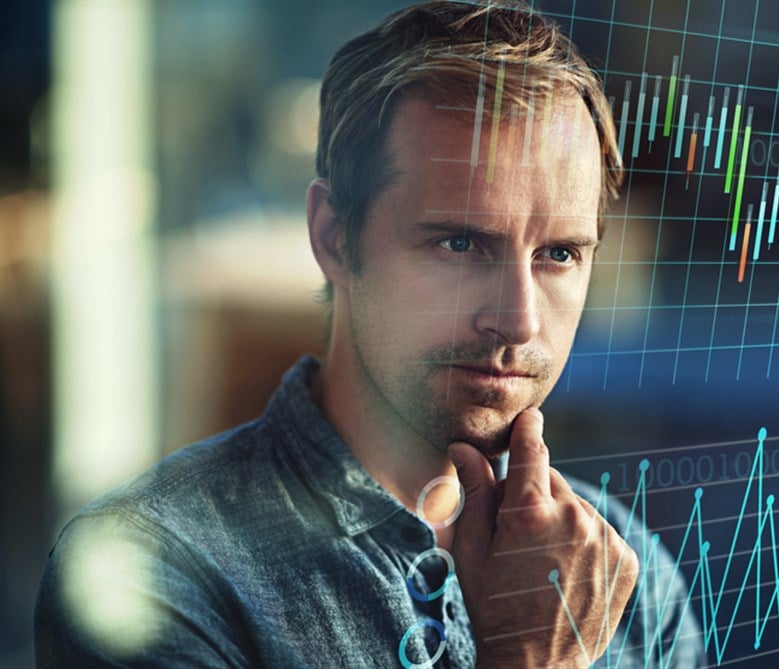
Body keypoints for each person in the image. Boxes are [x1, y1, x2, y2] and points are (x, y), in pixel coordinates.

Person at [34, 1, 704, 666]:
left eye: (558, 253)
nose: (521, 320)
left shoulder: (622, 575)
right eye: (461, 243)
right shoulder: (158, 573)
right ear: (334, 236)